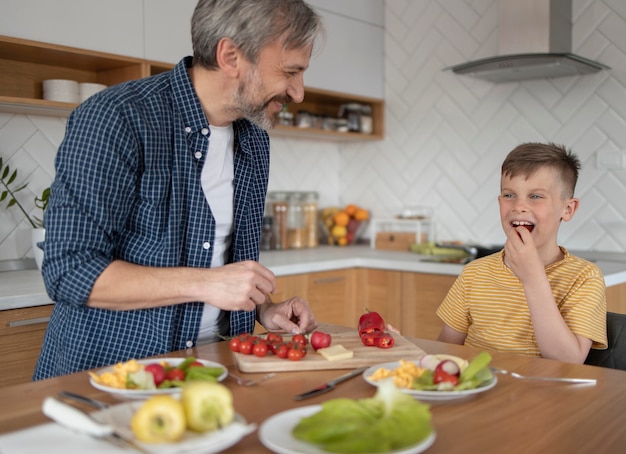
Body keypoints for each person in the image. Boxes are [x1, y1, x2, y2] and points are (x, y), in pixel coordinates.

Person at [33, 0, 323, 380]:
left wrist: (263, 309)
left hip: (214, 372)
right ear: (231, 56)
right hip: (108, 380)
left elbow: (222, 262)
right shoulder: (116, 118)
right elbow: (69, 270)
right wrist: (207, 283)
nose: (298, 93)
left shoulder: (253, 138)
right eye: (290, 72)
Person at [436, 143, 607, 364]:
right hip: (480, 391)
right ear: (499, 202)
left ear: (568, 209)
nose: (519, 206)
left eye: (536, 196)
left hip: (545, 396)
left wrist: (533, 278)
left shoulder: (585, 278)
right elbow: (445, 350)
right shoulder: (474, 273)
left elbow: (569, 361)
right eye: (509, 195)